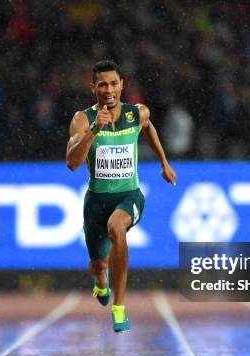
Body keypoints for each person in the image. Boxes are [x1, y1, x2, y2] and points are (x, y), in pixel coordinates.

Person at [66, 60, 176, 332]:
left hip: (129, 196)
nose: (109, 89)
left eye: (114, 83)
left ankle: (119, 308)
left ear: (122, 85)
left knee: (117, 228)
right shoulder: (83, 119)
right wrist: (95, 130)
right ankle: (101, 284)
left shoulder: (136, 113)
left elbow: (148, 127)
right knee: (97, 265)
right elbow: (72, 163)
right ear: (93, 87)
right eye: (102, 84)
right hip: (96, 202)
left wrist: (164, 163)